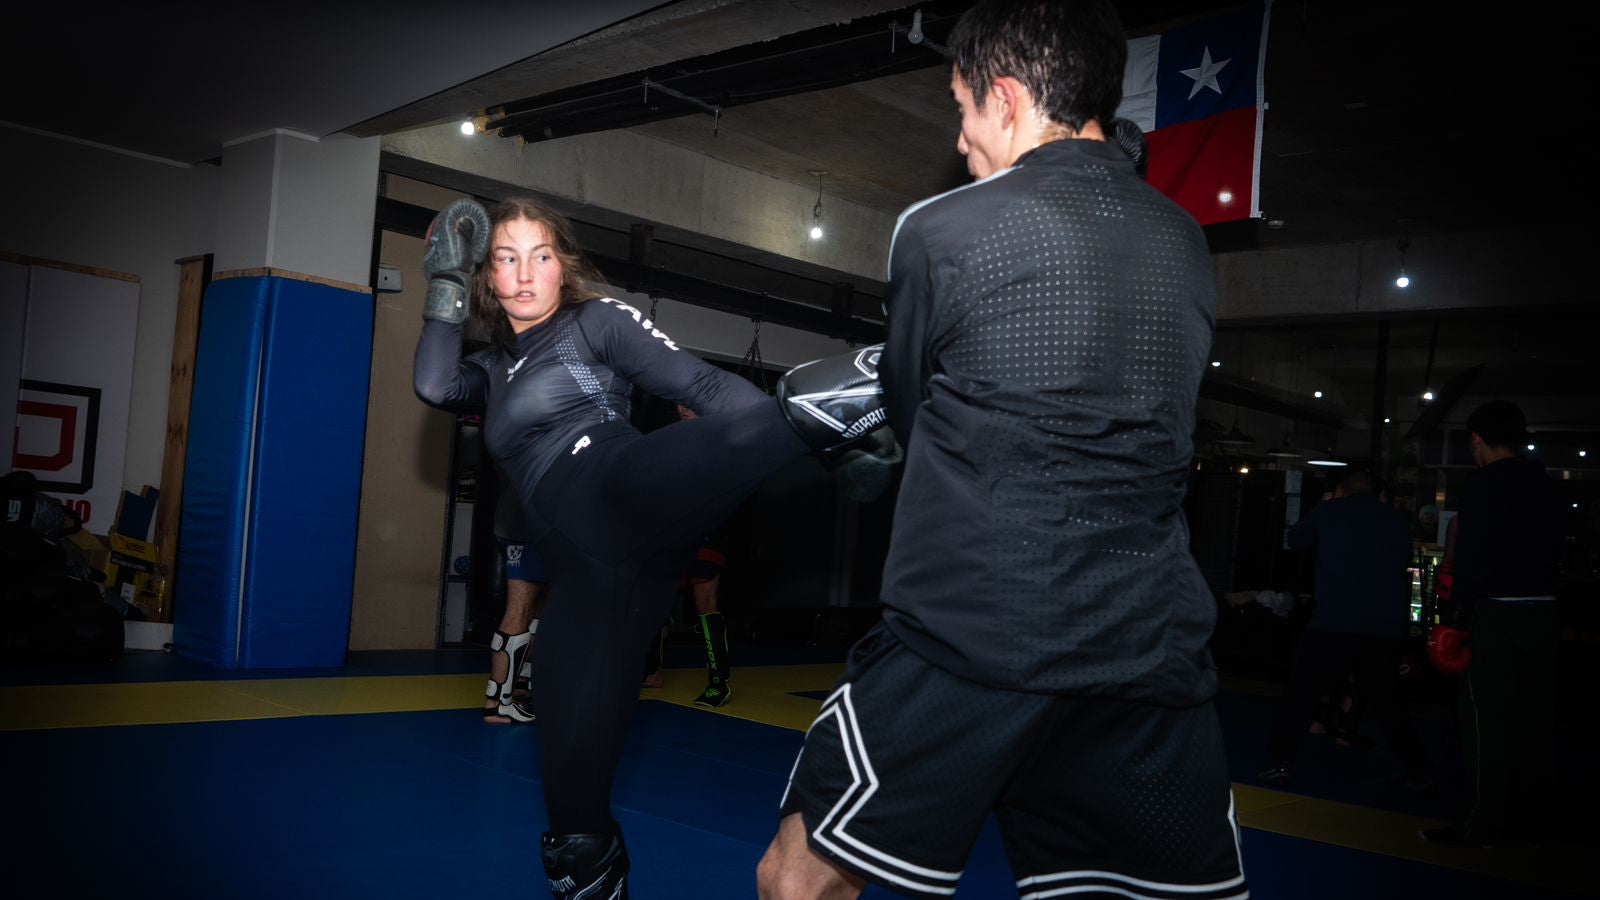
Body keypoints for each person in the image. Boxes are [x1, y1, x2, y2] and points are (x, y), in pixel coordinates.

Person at [758, 2, 1245, 897]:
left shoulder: (941, 228)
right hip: (1146, 645)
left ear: (1010, 98)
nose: (962, 136)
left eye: (963, 107)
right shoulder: (1184, 238)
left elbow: (906, 407)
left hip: (972, 634)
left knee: (800, 879)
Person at [413, 193, 890, 899]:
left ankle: (880, 382)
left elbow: (700, 386)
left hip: (617, 488)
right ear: (487, 277)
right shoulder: (487, 370)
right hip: (593, 576)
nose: (523, 274)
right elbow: (431, 381)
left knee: (751, 425)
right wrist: (444, 281)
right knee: (571, 800)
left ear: (561, 266)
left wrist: (814, 443)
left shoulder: (594, 322)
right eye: (505, 259)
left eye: (540, 256)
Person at [1422, 400, 1562, 847]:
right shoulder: (1544, 482)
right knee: (1533, 721)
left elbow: (1476, 551)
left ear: (1477, 441)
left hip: (1497, 614)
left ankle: (1479, 825)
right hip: (1545, 613)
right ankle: (1531, 819)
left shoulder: (1483, 484)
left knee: (1485, 722)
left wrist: (1455, 612)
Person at [1257, 471, 1431, 788]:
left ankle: (1279, 762)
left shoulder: (1329, 511)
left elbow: (1296, 541)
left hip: (1333, 623)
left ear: (1340, 490)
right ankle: (1417, 767)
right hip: (1381, 627)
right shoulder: (1395, 520)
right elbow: (1402, 558)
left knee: (1300, 695)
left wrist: (1323, 506)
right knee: (1388, 702)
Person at [481, 481, 549, 723]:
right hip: (530, 524)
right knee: (520, 607)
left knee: (538, 604)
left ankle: (520, 681)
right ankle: (498, 703)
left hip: (518, 519)